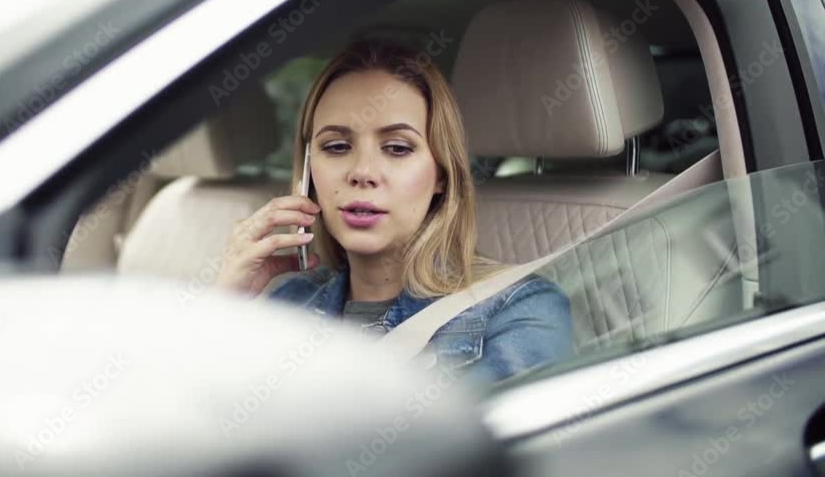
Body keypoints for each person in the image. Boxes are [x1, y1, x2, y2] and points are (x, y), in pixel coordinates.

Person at [214, 38, 573, 383]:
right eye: (336, 146)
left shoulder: (519, 311)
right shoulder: (288, 302)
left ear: (442, 174)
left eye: (398, 148)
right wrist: (223, 309)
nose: (363, 172)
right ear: (309, 171)